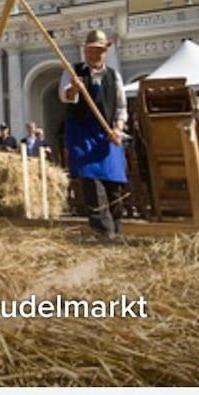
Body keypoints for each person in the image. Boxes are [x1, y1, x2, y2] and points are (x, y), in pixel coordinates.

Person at [60, 29, 128, 240]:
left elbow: (121, 106)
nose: (94, 55)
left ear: (105, 51)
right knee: (91, 181)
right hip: (82, 133)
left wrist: (117, 128)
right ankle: (102, 231)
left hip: (107, 134)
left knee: (114, 183)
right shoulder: (73, 71)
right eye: (90, 50)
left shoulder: (113, 76)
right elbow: (64, 97)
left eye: (99, 51)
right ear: (85, 50)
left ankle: (116, 229)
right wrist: (74, 89)